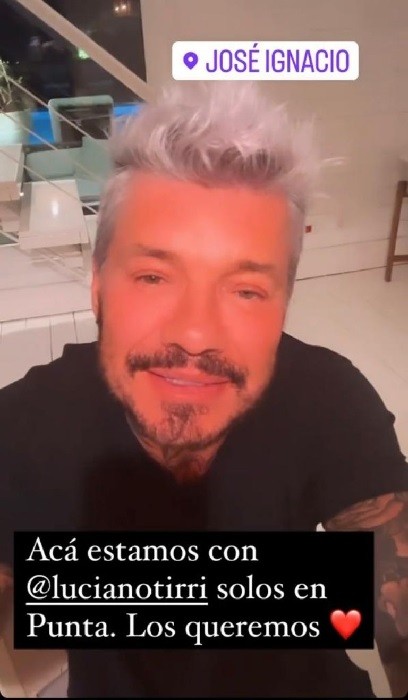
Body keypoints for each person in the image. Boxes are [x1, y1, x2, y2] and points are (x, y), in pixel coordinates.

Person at [0, 81, 407, 698]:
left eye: (246, 290)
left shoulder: (330, 401)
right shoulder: (24, 426)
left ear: (284, 304)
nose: (195, 333)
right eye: (154, 276)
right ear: (98, 286)